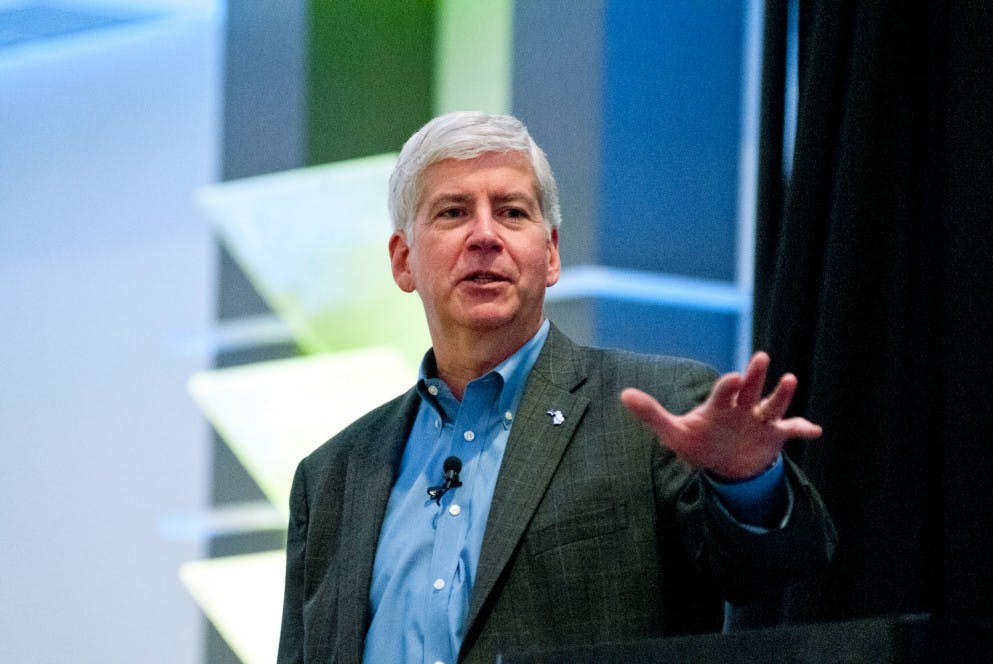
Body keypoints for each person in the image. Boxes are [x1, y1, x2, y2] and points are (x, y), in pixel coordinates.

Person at [277, 111, 836, 663]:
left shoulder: (653, 413)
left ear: (549, 254)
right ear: (403, 261)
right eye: (453, 212)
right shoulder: (331, 478)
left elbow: (777, 573)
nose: (485, 235)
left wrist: (746, 484)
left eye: (512, 212)